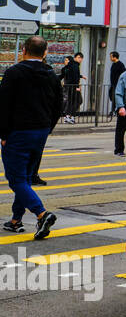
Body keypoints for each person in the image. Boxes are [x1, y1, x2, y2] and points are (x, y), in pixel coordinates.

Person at [0, 36, 63, 238]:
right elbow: (58, 107)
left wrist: (3, 133)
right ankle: (16, 220)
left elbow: (4, 105)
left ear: (24, 50)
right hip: (41, 132)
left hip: (18, 133)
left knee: (16, 179)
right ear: (45, 53)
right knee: (25, 177)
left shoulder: (14, 73)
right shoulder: (51, 75)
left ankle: (41, 213)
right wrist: (47, 127)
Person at [60, 52, 84, 124]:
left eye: (81, 58)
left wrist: (81, 76)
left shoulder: (71, 65)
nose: (80, 59)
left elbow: (73, 75)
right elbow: (74, 76)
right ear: (75, 58)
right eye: (79, 57)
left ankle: (69, 116)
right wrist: (77, 86)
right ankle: (70, 116)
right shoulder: (74, 65)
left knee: (73, 101)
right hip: (72, 86)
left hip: (70, 86)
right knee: (76, 101)